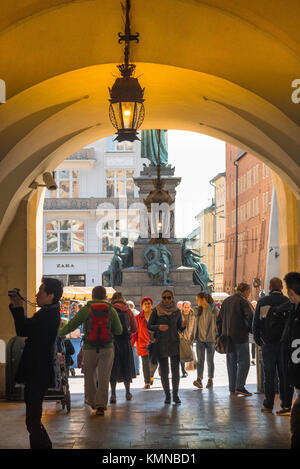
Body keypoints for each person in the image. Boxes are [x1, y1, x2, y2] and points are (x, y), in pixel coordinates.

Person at [9, 277, 63, 449]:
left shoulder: (47, 314)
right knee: (33, 419)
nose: (36, 294)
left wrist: (18, 307)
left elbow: (23, 329)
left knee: (32, 420)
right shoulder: (49, 312)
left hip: (37, 371)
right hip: (38, 370)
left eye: (41, 291)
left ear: (51, 295)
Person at [58, 286, 122, 416]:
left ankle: (92, 401)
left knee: (90, 376)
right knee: (104, 377)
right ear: (105, 297)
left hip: (89, 347)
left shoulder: (86, 309)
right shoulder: (111, 310)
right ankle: (101, 406)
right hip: (107, 348)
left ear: (92, 296)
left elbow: (71, 325)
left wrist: (58, 333)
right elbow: (119, 330)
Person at [252, 277, 290, 414]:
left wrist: (259, 341)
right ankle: (285, 404)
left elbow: (255, 324)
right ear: (281, 288)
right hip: (284, 345)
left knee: (268, 375)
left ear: (269, 288)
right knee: (284, 375)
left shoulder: (263, 302)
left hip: (267, 344)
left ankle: (268, 404)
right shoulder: (287, 301)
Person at [148, 290, 185, 404]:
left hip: (174, 342)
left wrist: (183, 327)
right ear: (162, 298)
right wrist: (159, 327)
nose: (166, 300)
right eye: (164, 297)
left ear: (172, 298)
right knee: (164, 371)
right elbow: (149, 325)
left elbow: (179, 328)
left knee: (175, 371)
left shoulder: (177, 311)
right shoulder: (156, 310)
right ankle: (167, 396)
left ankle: (175, 395)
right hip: (161, 343)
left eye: (169, 297)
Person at [217, 282, 254, 396]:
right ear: (246, 291)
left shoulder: (227, 301)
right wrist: (251, 330)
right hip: (240, 336)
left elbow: (219, 320)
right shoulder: (243, 300)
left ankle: (232, 387)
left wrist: (220, 334)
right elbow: (250, 317)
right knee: (244, 362)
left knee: (231, 362)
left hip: (227, 337)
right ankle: (240, 386)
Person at [282, 272, 300, 449]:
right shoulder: (295, 310)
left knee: (297, 420)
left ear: (291, 292)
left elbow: (296, 344)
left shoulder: (297, 313)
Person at [109, 292, 138, 403]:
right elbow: (135, 328)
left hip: (112, 342)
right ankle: (128, 392)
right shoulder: (128, 310)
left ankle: (113, 394)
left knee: (113, 367)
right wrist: (129, 332)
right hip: (125, 342)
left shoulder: (109, 310)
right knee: (126, 366)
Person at [193, 293, 218, 389]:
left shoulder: (213, 309)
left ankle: (210, 379)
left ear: (203, 299)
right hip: (200, 339)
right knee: (200, 360)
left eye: (198, 299)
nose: (197, 301)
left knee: (210, 360)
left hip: (211, 338)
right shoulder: (197, 310)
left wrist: (217, 334)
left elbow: (219, 320)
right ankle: (199, 379)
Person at [131, 297, 157, 388]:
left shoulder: (157, 316)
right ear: (142, 306)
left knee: (154, 362)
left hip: (155, 343)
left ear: (151, 305)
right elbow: (134, 332)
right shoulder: (137, 318)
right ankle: (147, 382)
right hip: (143, 343)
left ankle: (151, 376)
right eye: (145, 304)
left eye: (149, 303)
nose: (147, 305)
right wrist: (131, 343)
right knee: (145, 363)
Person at [180, 301, 195, 378]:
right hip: (181, 338)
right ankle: (183, 371)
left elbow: (195, 327)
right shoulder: (179, 315)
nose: (186, 309)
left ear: (190, 307)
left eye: (188, 307)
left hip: (189, 338)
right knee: (182, 355)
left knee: (189, 354)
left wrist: (192, 338)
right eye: (185, 307)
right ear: (182, 307)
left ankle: (189, 367)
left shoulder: (193, 315)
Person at [127, 300, 141, 376]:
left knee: (134, 353)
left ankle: (135, 369)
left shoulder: (132, 314)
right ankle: (136, 369)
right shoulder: (138, 313)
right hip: (138, 336)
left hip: (133, 336)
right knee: (136, 354)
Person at [250, 300, 257, 365]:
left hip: (257, 331)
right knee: (253, 345)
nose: (254, 306)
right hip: (252, 331)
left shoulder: (257, 311)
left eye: (255, 305)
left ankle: (256, 358)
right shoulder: (250, 311)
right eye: (253, 305)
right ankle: (253, 359)